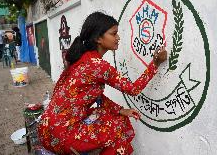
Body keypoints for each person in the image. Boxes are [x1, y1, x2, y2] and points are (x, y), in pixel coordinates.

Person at [37, 12, 167, 155]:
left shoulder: (83, 58)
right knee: (120, 132)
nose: (118, 37)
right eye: (114, 33)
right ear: (98, 38)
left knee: (116, 118)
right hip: (61, 135)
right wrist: (155, 63)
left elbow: (91, 94)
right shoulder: (98, 65)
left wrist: (119, 110)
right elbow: (133, 89)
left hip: (47, 128)